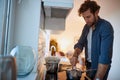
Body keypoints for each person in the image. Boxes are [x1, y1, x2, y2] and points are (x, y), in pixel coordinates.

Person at [70, 0, 114, 80]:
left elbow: (105, 58)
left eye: (88, 17)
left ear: (96, 12)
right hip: (89, 66)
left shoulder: (106, 27)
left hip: (100, 67)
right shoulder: (86, 27)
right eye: (84, 17)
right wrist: (75, 55)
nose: (86, 21)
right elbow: (80, 44)